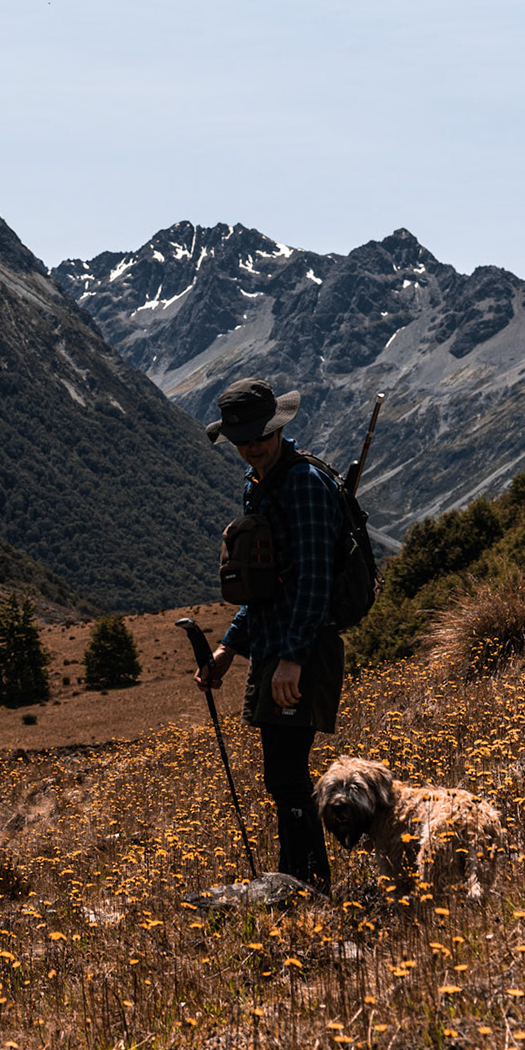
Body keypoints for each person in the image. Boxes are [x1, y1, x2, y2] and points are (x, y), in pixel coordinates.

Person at [194, 377, 343, 892]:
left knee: (287, 773)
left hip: (301, 651)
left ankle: (307, 884)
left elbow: (316, 579)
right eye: (242, 439)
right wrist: (228, 648)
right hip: (273, 648)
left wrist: (293, 658)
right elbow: (264, 587)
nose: (252, 446)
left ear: (278, 428)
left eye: (261, 436)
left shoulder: (303, 484)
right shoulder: (259, 483)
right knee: (281, 775)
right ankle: (297, 881)